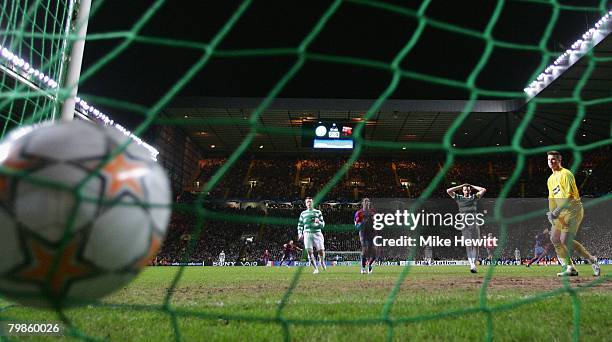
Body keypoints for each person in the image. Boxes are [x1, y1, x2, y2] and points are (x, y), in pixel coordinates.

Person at [546, 151, 600, 277]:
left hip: (573, 209)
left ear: (560, 160)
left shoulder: (566, 174)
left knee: (565, 240)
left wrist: (556, 212)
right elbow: (552, 198)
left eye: (553, 159)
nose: (551, 162)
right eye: (549, 159)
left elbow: (569, 196)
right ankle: (570, 268)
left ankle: (592, 260)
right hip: (560, 211)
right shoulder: (550, 179)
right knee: (554, 238)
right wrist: (551, 213)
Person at [447, 183, 486, 273]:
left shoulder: (474, 197)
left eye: (468, 190)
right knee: (468, 244)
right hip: (464, 223)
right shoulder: (459, 198)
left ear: (470, 190)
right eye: (465, 190)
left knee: (476, 244)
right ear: (463, 191)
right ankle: (472, 265)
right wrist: (460, 186)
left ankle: (473, 264)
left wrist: (472, 186)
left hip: (474, 222)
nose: (467, 191)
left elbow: (483, 189)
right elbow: (448, 191)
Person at [297, 197, 326, 274]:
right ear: (306, 204)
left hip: (317, 233)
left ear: (313, 203)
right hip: (307, 234)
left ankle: (322, 261)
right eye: (307, 202)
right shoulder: (303, 213)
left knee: (321, 252)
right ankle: (315, 269)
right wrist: (300, 233)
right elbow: (300, 224)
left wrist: (319, 222)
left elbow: (323, 225)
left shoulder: (318, 212)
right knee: (309, 252)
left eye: (310, 202)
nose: (309, 203)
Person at [354, 197, 377, 274]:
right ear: (363, 203)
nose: (367, 203)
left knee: (374, 251)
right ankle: (363, 268)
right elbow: (356, 224)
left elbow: (376, 222)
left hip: (372, 232)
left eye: (368, 202)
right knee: (364, 250)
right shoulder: (359, 213)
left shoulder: (372, 212)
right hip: (363, 232)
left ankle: (370, 265)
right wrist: (359, 225)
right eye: (365, 202)